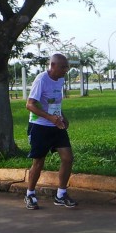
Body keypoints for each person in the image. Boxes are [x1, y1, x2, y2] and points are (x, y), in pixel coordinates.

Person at [24, 53, 78, 210]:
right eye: (63, 67)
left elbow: (55, 102)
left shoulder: (60, 79)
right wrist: (50, 118)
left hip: (56, 125)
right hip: (39, 126)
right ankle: (30, 194)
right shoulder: (41, 80)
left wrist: (62, 117)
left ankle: (61, 195)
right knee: (39, 161)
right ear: (53, 66)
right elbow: (30, 105)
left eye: (67, 67)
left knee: (68, 158)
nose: (66, 70)